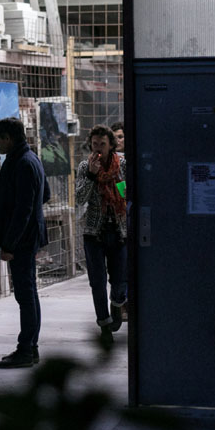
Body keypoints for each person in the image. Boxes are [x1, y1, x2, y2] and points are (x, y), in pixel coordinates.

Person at [0, 117, 51, 369]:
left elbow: (23, 209)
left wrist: (10, 244)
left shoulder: (22, 162)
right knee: (28, 294)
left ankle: (26, 349)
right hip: (28, 238)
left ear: (9, 138)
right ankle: (30, 347)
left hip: (22, 241)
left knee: (25, 296)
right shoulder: (29, 158)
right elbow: (44, 194)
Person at [75, 123, 128, 341]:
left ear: (111, 145)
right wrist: (90, 175)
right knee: (97, 281)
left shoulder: (122, 165)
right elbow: (79, 199)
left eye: (102, 144)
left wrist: (117, 184)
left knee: (120, 279)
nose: (98, 148)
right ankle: (104, 324)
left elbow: (128, 194)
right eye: (95, 144)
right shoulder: (84, 167)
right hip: (94, 232)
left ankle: (117, 303)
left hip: (118, 230)